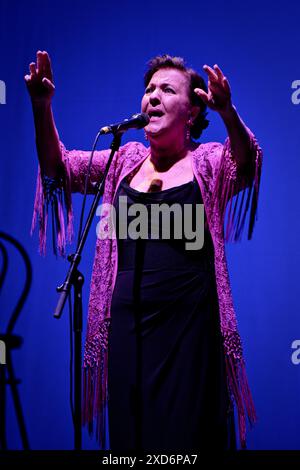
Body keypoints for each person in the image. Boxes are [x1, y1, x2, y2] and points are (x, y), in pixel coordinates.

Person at [25, 51, 263, 452]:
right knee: (133, 444)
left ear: (191, 111)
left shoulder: (206, 161)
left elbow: (247, 161)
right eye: (149, 89)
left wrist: (228, 113)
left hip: (189, 332)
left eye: (167, 90)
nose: (152, 96)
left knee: (189, 439)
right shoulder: (125, 159)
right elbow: (58, 167)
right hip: (127, 332)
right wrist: (40, 105)